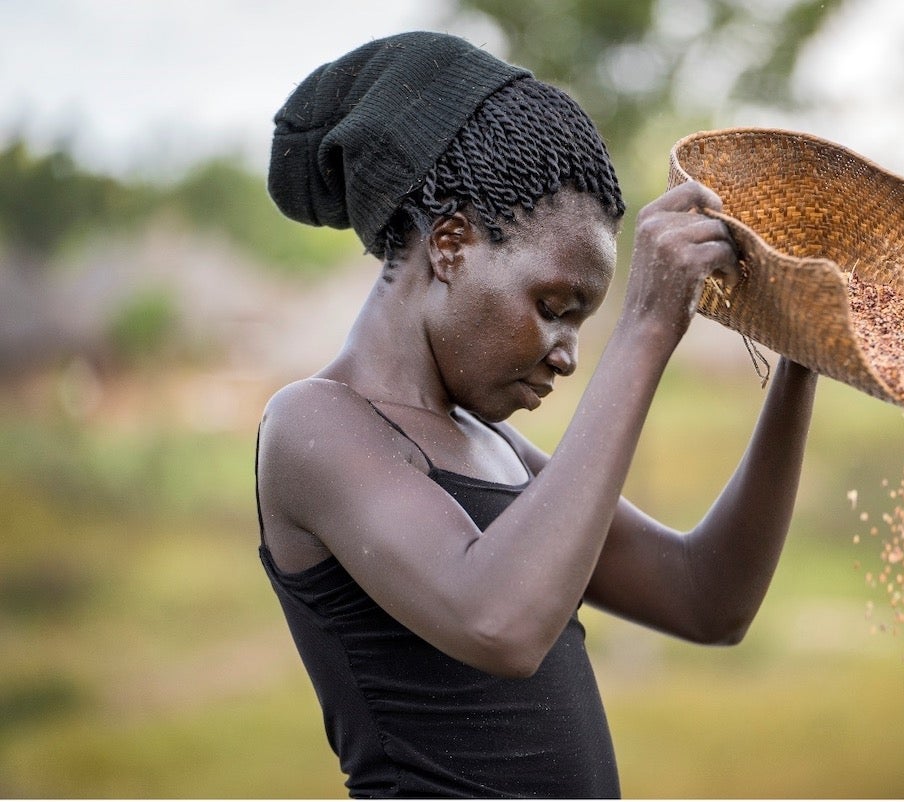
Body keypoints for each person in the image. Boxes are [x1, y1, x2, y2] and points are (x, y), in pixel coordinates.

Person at [256, 31, 819, 798]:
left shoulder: (499, 449)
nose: (567, 354)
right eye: (554, 307)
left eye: (582, 322)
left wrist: (801, 354)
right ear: (450, 245)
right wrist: (648, 326)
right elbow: (500, 622)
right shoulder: (315, 429)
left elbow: (707, 598)